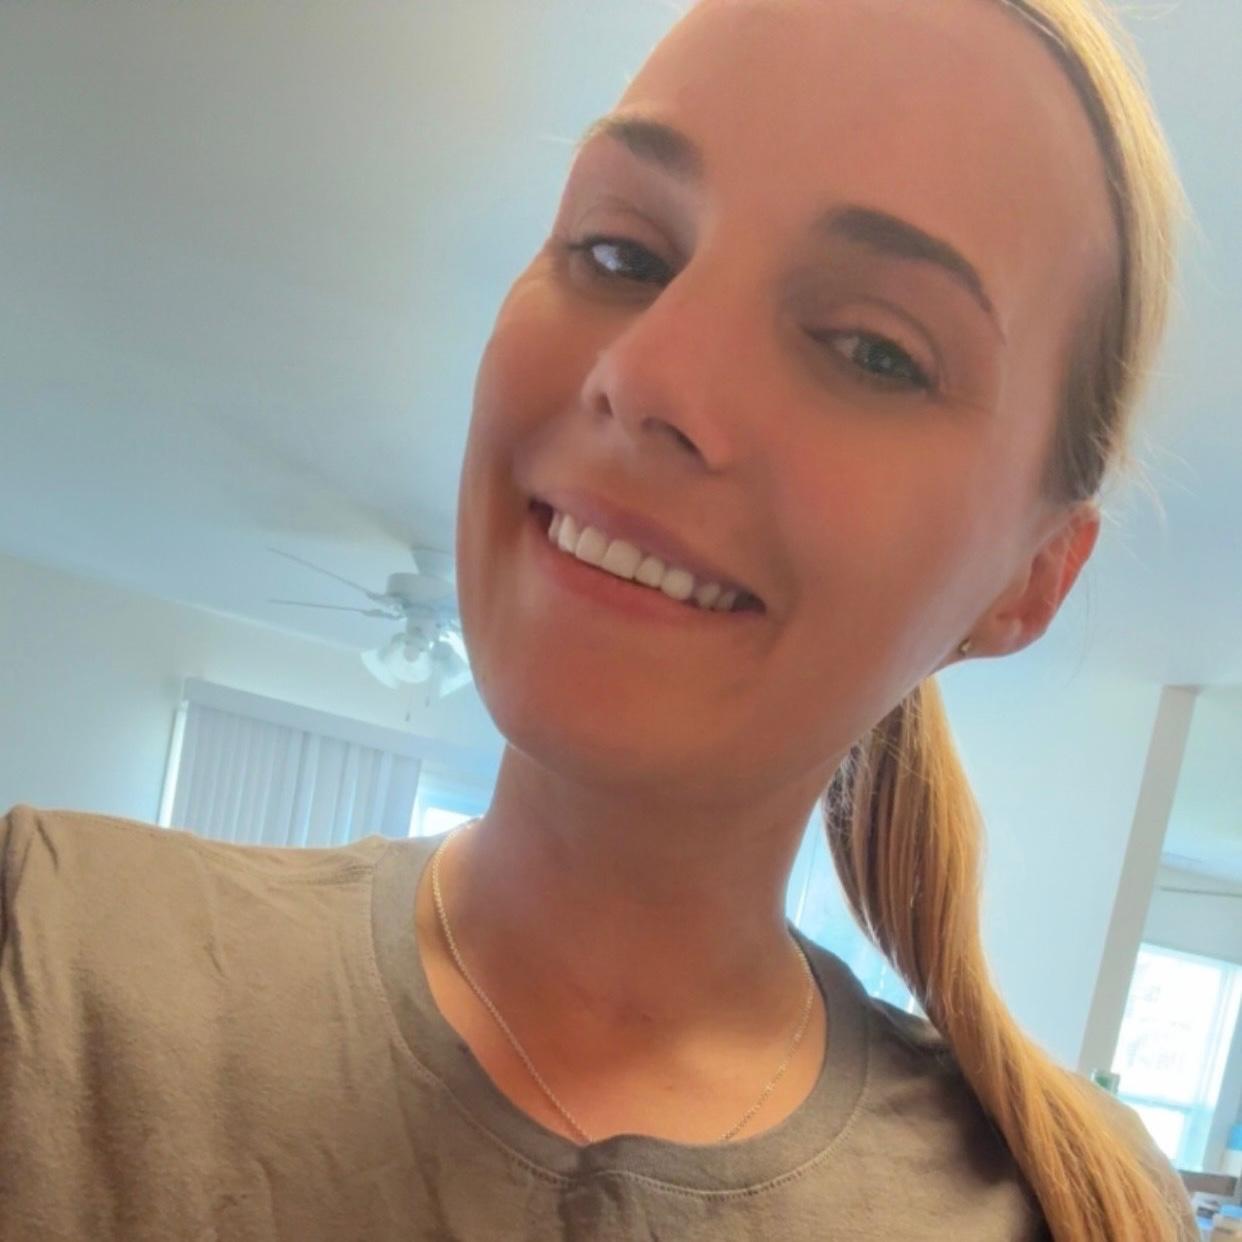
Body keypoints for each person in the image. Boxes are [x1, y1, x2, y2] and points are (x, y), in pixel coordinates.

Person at [0, 0, 1199, 1238]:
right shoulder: (50, 947)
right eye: (623, 253)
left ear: (1030, 579)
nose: (645, 376)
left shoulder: (1072, 1210)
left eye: (873, 351)